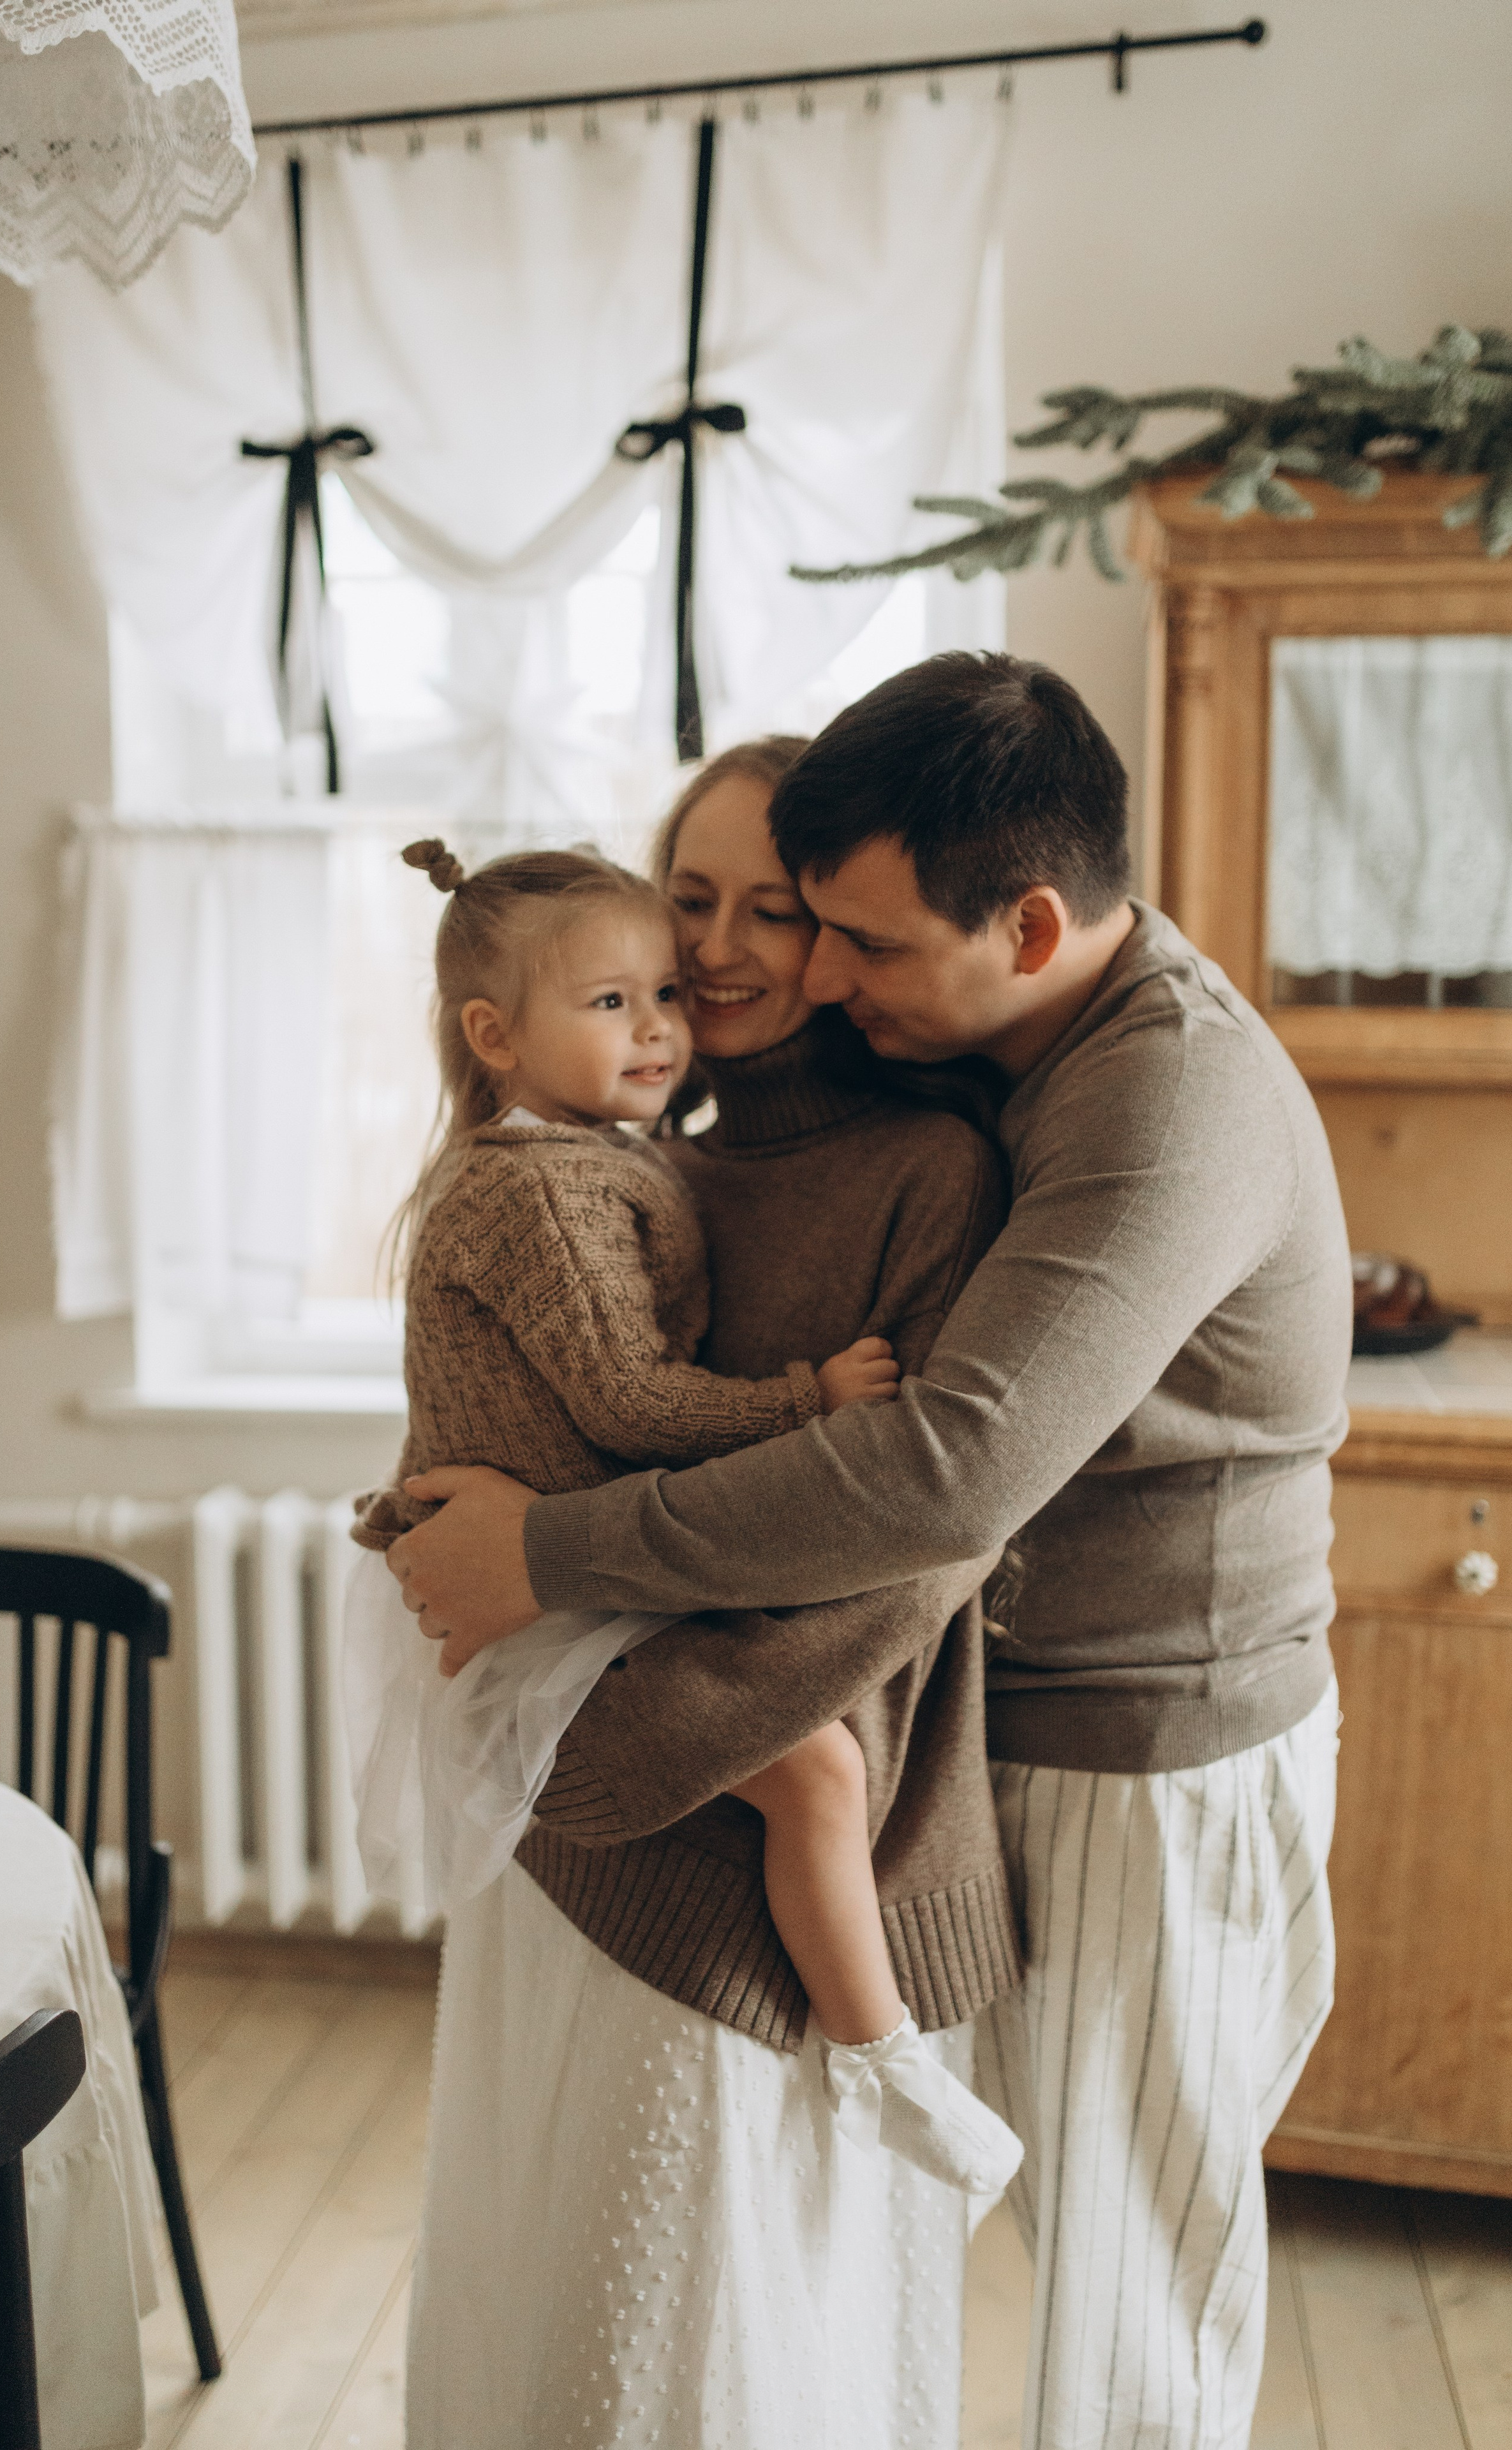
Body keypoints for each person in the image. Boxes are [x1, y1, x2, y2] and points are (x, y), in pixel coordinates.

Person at [389, 656, 1352, 2450]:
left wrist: (559, 1557)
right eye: (742, 916)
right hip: (1003, 1726)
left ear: (1038, 919)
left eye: (860, 940)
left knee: (1130, 2288)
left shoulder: (1167, 1105)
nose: (813, 973)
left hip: (1156, 1744)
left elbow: (947, 1472)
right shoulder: (971, 1060)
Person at [388, 746, 1025, 2449]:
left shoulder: (927, 1173)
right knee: (563, 2287)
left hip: (726, 1780)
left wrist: (668, 1707)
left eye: (775, 909)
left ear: (839, 930)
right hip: (576, 1807)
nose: (718, 960)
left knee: (731, 2337)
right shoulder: (621, 1160)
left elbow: (921, 1526)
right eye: (689, 906)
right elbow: (534, 1418)